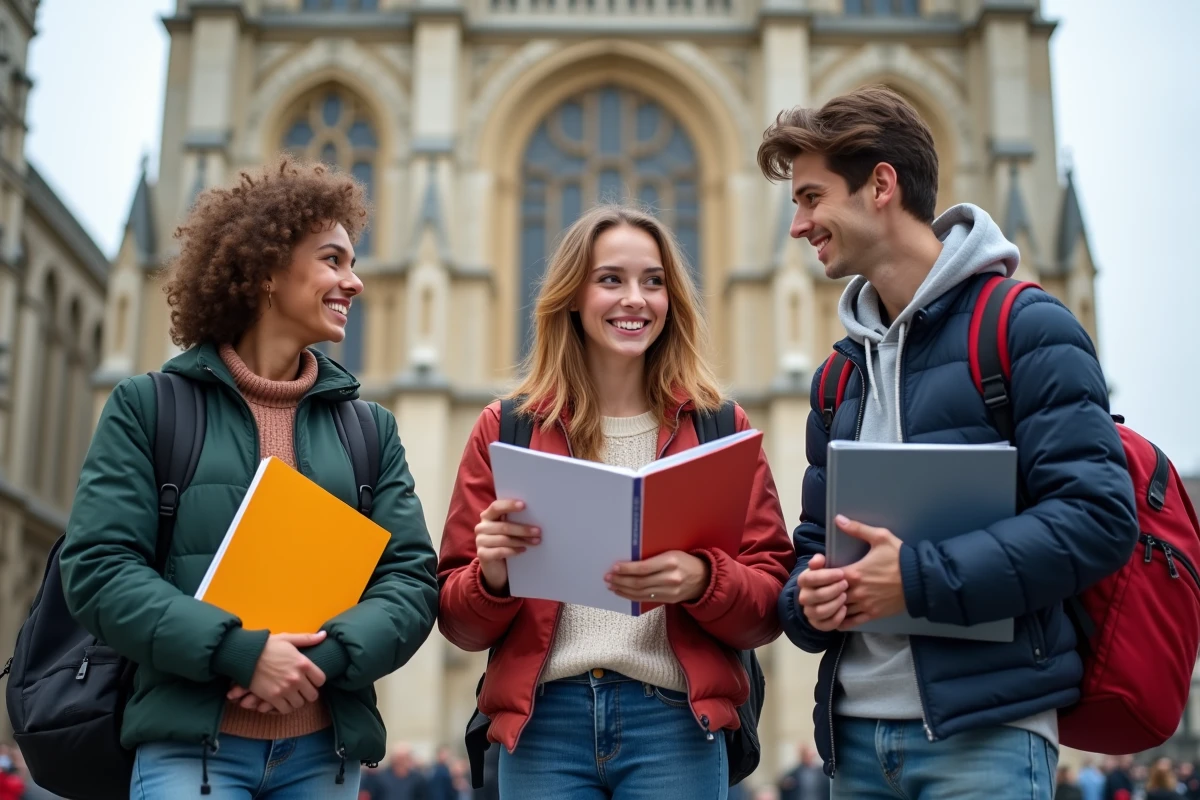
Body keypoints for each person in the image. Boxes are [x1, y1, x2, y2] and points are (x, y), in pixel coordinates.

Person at [758, 85, 1138, 799]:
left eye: (811, 198)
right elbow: (811, 547)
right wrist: (806, 601)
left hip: (988, 741)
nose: (799, 225)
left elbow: (1098, 519)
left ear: (880, 185)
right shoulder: (838, 377)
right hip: (853, 749)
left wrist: (916, 578)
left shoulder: (1026, 327)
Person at [58, 156, 440, 798]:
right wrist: (239, 653)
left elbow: (411, 582)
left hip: (324, 758)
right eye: (333, 260)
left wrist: (321, 661)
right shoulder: (148, 407)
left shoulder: (370, 429)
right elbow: (99, 570)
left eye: (352, 262)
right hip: (190, 755)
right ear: (266, 270)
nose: (355, 282)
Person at [437, 203, 796, 799]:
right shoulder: (506, 429)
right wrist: (493, 576)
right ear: (572, 298)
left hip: (675, 726)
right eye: (611, 279)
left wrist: (703, 580)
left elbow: (768, 607)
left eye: (653, 281)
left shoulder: (720, 428)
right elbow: (458, 623)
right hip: (544, 726)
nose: (635, 299)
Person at [362, 743, 428, 800]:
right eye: (399, 758)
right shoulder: (379, 777)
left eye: (404, 758)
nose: (401, 762)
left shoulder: (418, 779)